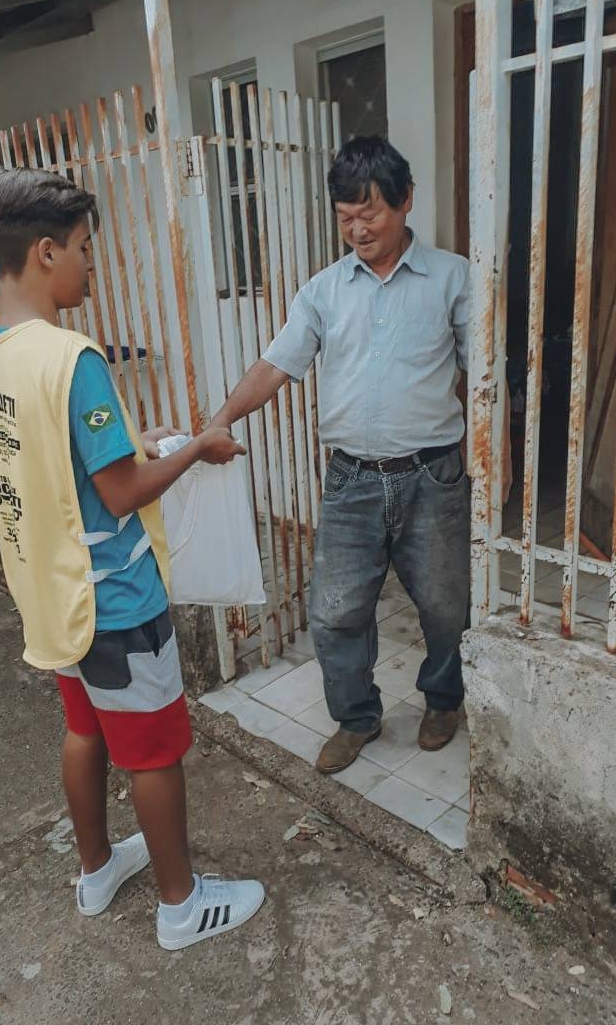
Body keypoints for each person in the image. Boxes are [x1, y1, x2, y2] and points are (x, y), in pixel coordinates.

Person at [0, 167, 264, 949]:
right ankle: (181, 906)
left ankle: (96, 870)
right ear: (45, 253)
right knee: (154, 751)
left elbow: (59, 461)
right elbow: (123, 490)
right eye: (83, 248)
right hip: (115, 599)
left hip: (55, 593)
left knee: (86, 729)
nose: (91, 265)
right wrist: (197, 447)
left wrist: (140, 443)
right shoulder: (74, 359)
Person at [211, 136, 512, 774]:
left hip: (433, 475)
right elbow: (275, 365)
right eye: (346, 217)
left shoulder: (453, 277)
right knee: (334, 610)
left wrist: (502, 458)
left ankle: (443, 701)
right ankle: (356, 718)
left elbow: (488, 375)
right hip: (351, 480)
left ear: (406, 201)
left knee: (445, 606)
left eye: (369, 213)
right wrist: (221, 421)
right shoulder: (324, 291)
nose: (358, 230)